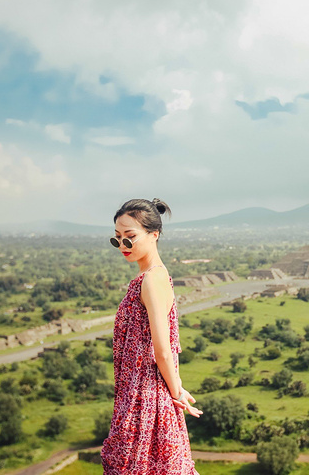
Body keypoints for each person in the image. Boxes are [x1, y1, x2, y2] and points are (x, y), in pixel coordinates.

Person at [101, 198, 202, 474]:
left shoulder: (152, 280)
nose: (123, 246)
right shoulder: (149, 277)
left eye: (130, 237)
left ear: (154, 235)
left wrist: (177, 390)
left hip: (146, 398)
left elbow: (163, 350)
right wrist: (177, 385)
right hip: (136, 393)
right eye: (118, 239)